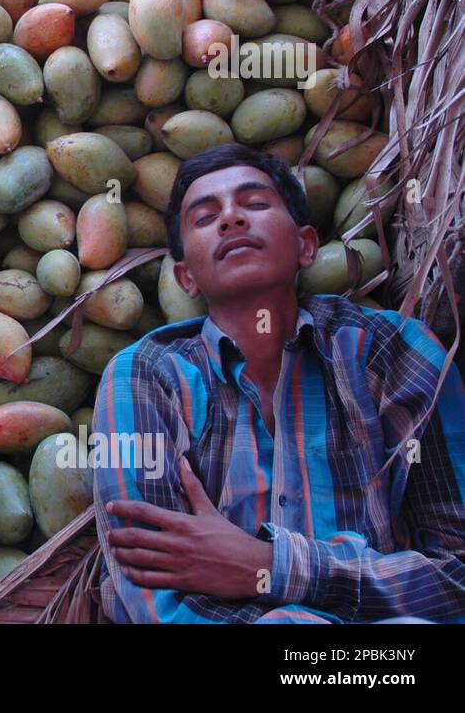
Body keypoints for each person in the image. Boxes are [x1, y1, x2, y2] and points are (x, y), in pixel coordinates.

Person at [90, 143, 465, 623]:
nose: (231, 219)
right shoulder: (146, 376)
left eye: (255, 203)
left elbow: (456, 577)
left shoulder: (396, 352)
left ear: (307, 245)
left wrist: (272, 566)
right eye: (206, 217)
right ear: (185, 278)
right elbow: (151, 599)